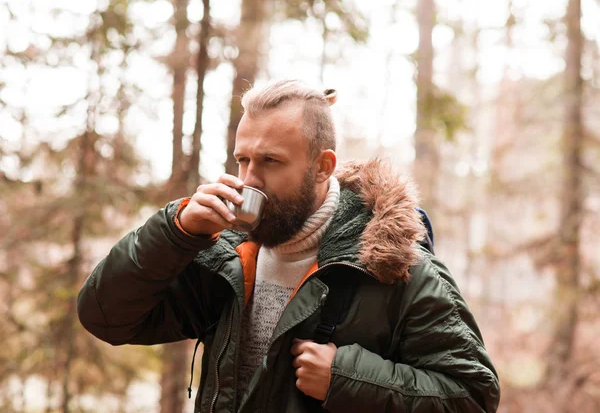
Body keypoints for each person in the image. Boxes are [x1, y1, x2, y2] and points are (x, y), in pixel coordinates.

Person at [78, 79, 500, 412]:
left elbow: (473, 395)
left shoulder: (398, 267)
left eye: (270, 161)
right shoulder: (225, 255)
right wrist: (177, 231)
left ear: (322, 167)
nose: (248, 180)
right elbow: (106, 316)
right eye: (242, 159)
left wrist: (348, 379)